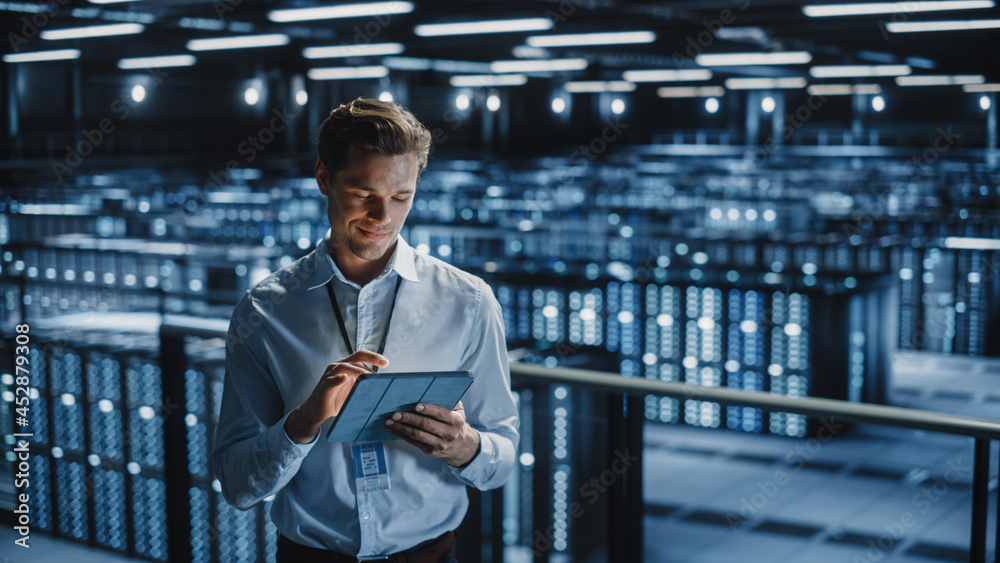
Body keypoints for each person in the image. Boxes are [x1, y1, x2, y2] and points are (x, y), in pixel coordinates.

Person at [212, 97, 519, 563]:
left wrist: (466, 446)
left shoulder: (469, 302)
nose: (384, 217)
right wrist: (302, 424)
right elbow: (237, 483)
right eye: (363, 194)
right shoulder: (264, 312)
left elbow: (503, 454)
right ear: (323, 179)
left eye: (401, 197)